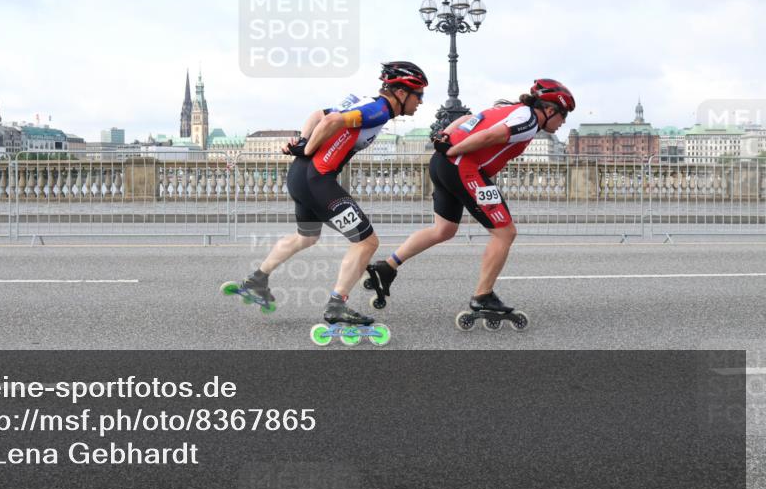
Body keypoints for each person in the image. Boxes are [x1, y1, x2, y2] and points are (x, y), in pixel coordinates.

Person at [235, 61, 428, 326]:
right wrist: (306, 147)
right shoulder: (379, 110)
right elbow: (331, 120)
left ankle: (257, 279)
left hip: (299, 177)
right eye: (420, 96)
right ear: (403, 93)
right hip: (317, 180)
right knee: (367, 243)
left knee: (307, 236)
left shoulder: (361, 100)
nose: (421, 103)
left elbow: (317, 115)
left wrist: (304, 142)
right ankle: (337, 305)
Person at [365, 78, 576, 315]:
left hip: (442, 164)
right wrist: (454, 150)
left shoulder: (507, 109)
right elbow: (488, 136)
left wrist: (444, 137)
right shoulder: (528, 120)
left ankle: (388, 266)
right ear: (549, 110)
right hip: (463, 168)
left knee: (443, 230)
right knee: (505, 233)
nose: (563, 121)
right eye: (563, 115)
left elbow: (466, 120)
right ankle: (483, 296)